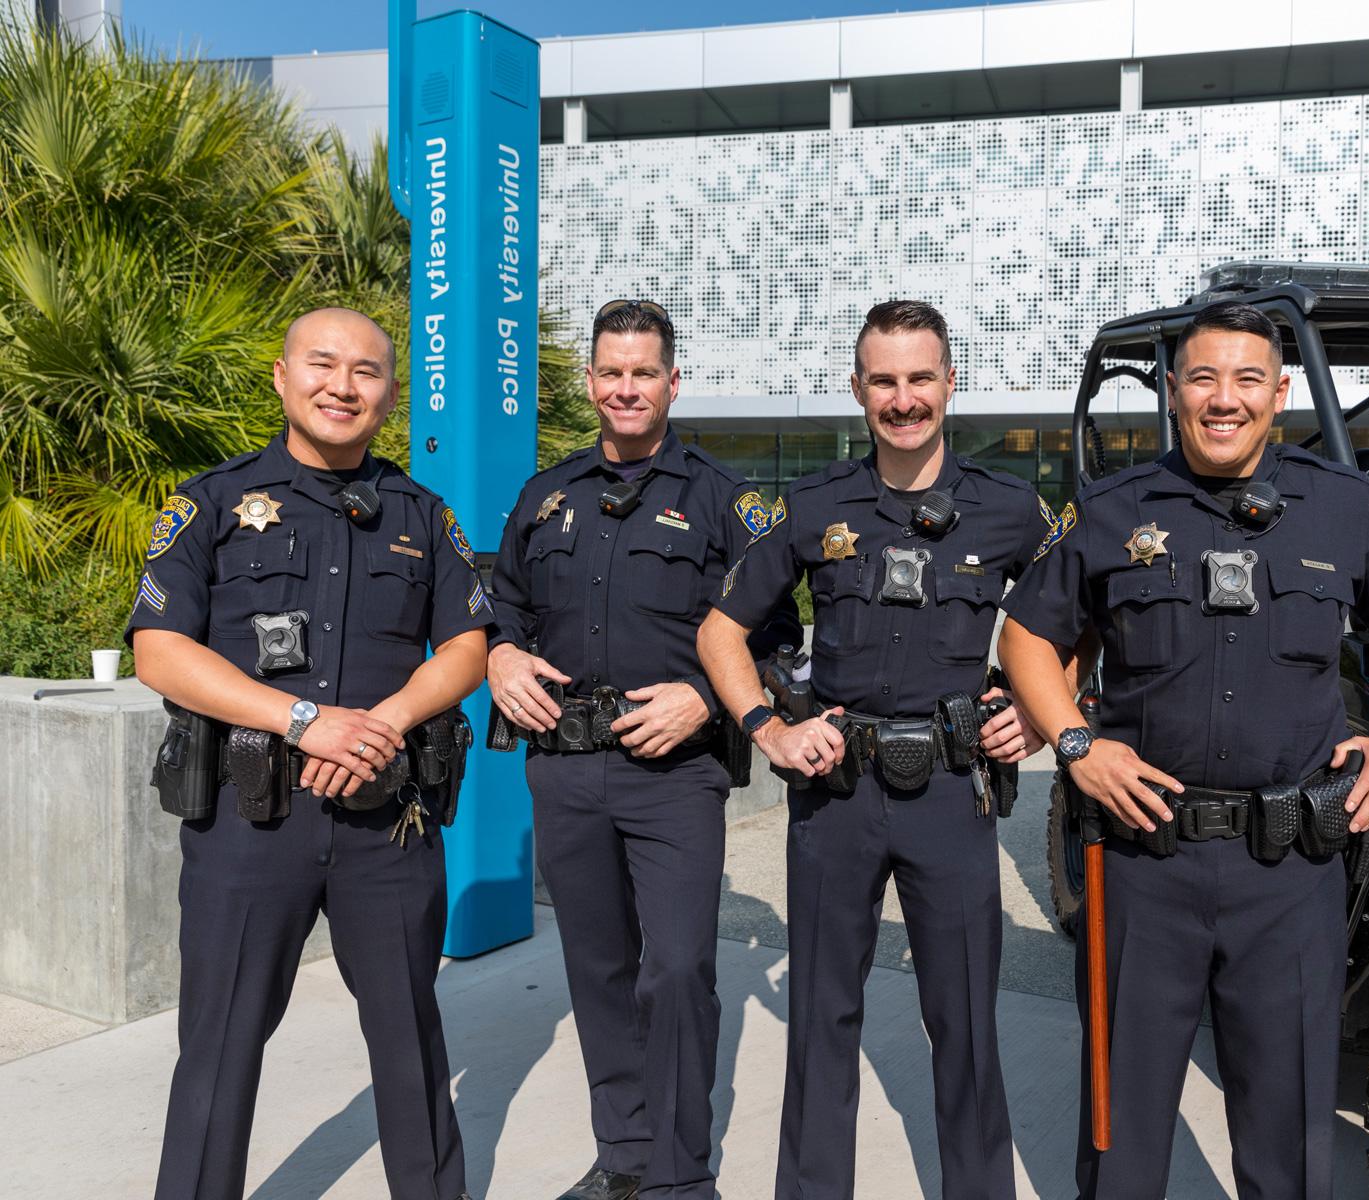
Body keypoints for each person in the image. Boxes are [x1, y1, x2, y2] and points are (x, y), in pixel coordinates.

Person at [997, 301, 1369, 1200]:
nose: (1223, 399)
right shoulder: (1112, 509)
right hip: (1142, 859)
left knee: (1288, 1132)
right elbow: (1027, 638)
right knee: (1120, 1124)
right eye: (1203, 378)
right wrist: (1076, 742)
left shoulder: (1342, 504)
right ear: (1172, 392)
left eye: (1246, 380)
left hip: (1289, 867)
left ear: (1279, 394)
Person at [131, 307, 493, 1200]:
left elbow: (469, 647)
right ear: (283, 377)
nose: (343, 385)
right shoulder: (210, 503)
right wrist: (304, 721)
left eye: (366, 371)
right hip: (251, 827)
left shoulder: (420, 513)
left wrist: (383, 724)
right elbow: (160, 651)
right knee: (217, 1047)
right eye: (323, 365)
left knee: (410, 1041)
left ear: (389, 394)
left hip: (388, 823)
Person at [696, 299, 1054, 1200]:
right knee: (821, 1019)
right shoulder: (814, 506)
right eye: (884, 381)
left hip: (950, 792)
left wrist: (1045, 712)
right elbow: (720, 633)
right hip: (837, 793)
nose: (903, 399)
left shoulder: (1010, 510)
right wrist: (767, 729)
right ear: (858, 390)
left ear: (950, 382)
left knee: (965, 1025)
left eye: (919, 378)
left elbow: (1071, 619)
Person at [485, 299, 799, 1200]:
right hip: (567, 768)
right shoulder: (545, 496)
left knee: (678, 969)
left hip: (675, 775)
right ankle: (624, 1161)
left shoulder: (724, 501)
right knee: (599, 971)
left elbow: (776, 632)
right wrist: (502, 652)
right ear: (591, 381)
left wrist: (705, 698)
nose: (627, 388)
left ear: (672, 381)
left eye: (644, 372)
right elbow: (500, 605)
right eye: (611, 372)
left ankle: (679, 1173)